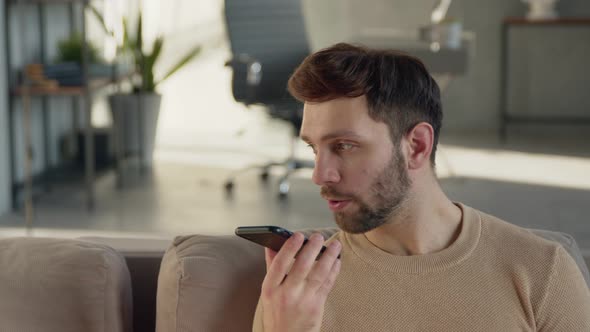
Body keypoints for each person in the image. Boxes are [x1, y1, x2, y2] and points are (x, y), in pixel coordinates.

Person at [252, 43, 590, 331]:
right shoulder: (295, 291)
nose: (319, 175)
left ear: (416, 146)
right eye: (314, 148)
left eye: (343, 146)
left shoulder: (542, 272)